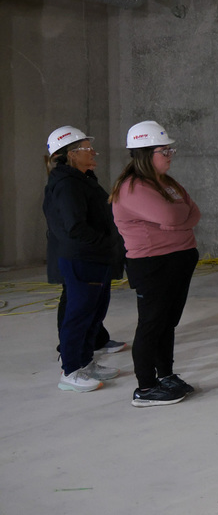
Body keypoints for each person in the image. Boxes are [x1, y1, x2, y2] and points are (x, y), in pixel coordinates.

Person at [110, 121, 201, 407]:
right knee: (151, 324)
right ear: (146, 153)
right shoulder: (133, 187)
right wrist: (178, 222)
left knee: (167, 323)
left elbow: (193, 212)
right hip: (152, 264)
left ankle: (167, 375)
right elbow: (176, 217)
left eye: (170, 149)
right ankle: (146, 388)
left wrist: (177, 222)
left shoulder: (166, 183)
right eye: (164, 150)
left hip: (178, 259)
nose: (170, 154)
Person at [43, 126, 125, 393]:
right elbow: (75, 227)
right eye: (88, 149)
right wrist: (107, 243)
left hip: (95, 258)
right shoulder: (67, 184)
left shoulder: (82, 178)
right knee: (78, 315)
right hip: (83, 258)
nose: (93, 153)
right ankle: (71, 370)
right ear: (71, 154)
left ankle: (86, 362)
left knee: (94, 313)